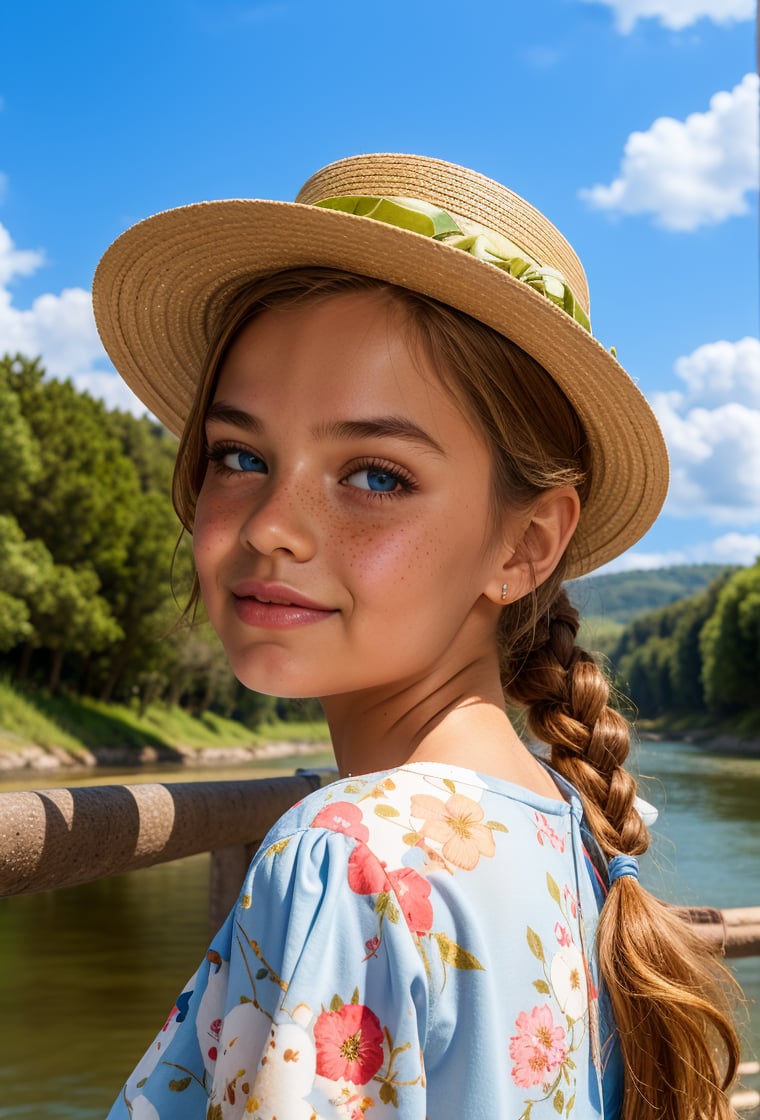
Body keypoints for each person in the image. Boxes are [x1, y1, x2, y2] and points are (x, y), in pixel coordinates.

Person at [93, 153, 740, 1120]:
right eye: (241, 456)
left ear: (525, 545)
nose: (273, 522)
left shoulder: (346, 857)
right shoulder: (572, 832)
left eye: (377, 475)